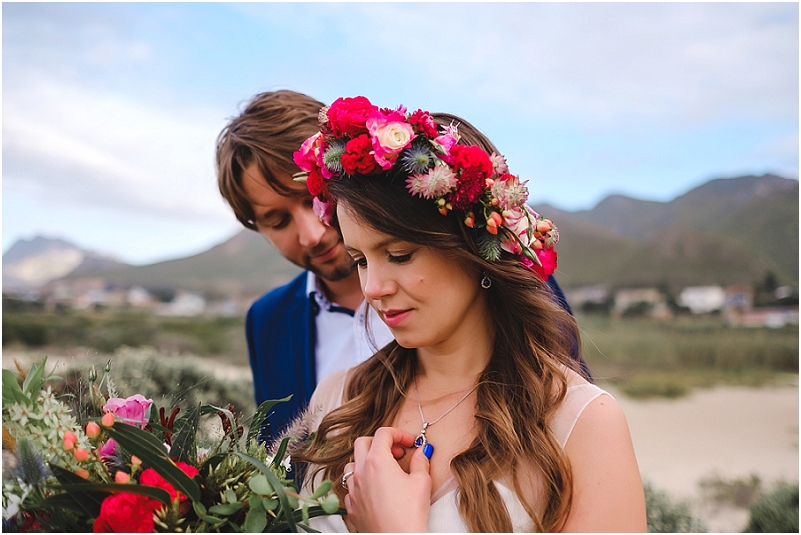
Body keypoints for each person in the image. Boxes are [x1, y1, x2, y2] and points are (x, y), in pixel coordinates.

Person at [293, 96, 646, 532]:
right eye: (361, 260)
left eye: (399, 255)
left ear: (474, 250)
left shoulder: (581, 424)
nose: (373, 288)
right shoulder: (336, 401)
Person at [216, 90, 583, 439]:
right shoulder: (267, 323)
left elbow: (567, 418)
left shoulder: (512, 283)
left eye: (312, 198)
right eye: (278, 221)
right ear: (255, 227)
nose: (312, 233)